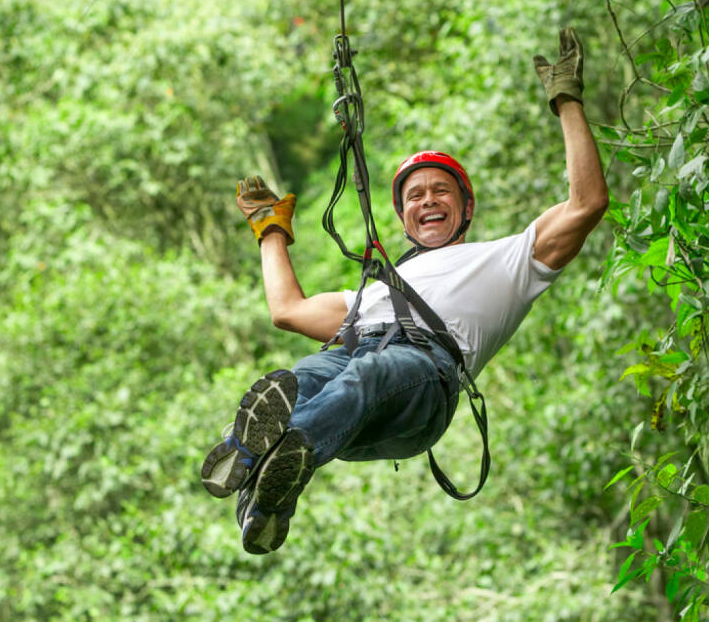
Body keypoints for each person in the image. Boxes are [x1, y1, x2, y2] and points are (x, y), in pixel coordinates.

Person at [200, 27, 608, 554]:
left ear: (466, 206)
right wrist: (270, 230)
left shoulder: (507, 259)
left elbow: (587, 203)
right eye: (416, 195)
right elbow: (288, 310)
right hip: (356, 374)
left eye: (442, 190)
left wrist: (566, 100)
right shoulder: (377, 292)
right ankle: (267, 493)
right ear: (403, 217)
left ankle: (262, 463)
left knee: (367, 373)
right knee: (299, 378)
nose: (429, 200)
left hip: (424, 383)